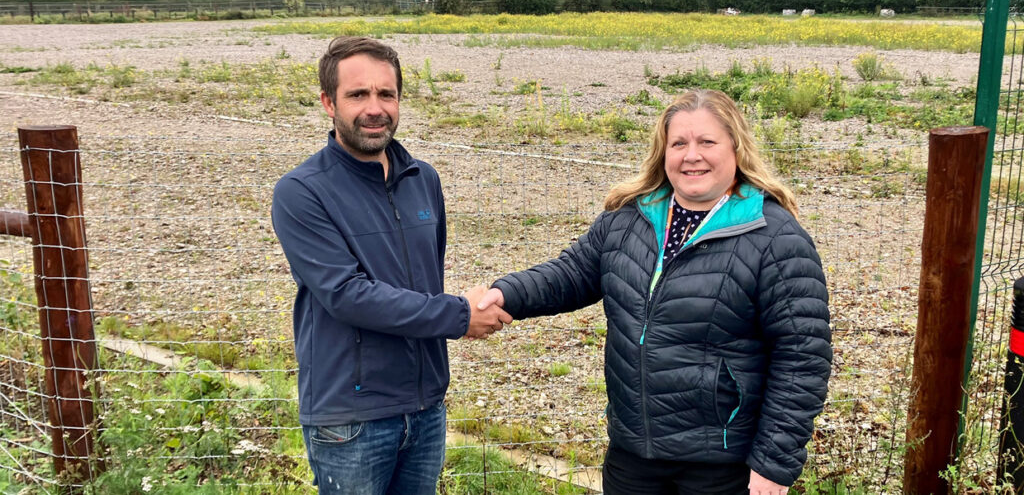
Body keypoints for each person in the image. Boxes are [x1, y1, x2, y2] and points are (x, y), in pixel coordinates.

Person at [476, 89, 831, 495]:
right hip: (634, 453)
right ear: (663, 152)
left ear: (736, 148)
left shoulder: (776, 237)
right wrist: (505, 294)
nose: (691, 155)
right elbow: (570, 274)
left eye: (707, 142)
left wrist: (774, 464)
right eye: (678, 143)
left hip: (721, 463)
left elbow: (802, 358)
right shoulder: (629, 218)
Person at [271, 36, 511, 495]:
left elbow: (425, 276)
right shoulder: (302, 192)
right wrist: (461, 315)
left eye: (387, 93)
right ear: (328, 102)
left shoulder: (423, 179)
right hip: (351, 418)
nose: (375, 108)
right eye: (358, 94)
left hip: (425, 408)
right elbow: (347, 295)